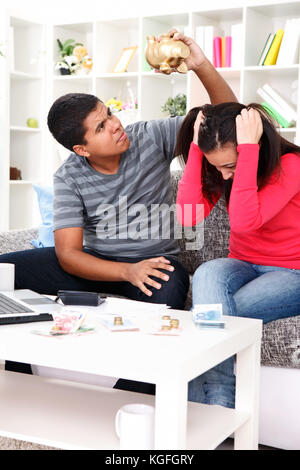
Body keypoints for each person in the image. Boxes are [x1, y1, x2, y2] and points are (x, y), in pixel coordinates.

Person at [0, 31, 236, 390]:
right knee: (4, 270)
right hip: (97, 266)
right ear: (82, 148)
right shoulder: (68, 177)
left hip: (154, 264)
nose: (115, 124)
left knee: (170, 288)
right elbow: (68, 255)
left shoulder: (149, 137)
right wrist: (125, 271)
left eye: (108, 113)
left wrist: (199, 66)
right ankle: (18, 372)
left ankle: (134, 396)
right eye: (101, 126)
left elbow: (226, 119)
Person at [176, 102, 300, 408]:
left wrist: (248, 152)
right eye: (217, 167)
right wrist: (195, 149)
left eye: (229, 167)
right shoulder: (224, 170)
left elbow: (246, 220)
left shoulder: (292, 165)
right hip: (242, 263)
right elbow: (187, 215)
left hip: (290, 272)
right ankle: (214, 407)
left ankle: (208, 404)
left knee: (210, 317)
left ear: (253, 147)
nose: (225, 176)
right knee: (206, 273)